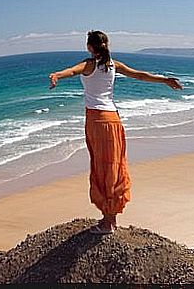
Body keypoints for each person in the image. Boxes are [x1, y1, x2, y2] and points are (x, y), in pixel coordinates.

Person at [48, 30, 183, 234]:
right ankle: (110, 217)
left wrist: (57, 75)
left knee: (102, 167)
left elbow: (72, 71)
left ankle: (108, 221)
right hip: (114, 120)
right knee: (115, 165)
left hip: (97, 121)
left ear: (90, 47)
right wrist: (164, 80)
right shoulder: (113, 65)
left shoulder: (89, 64)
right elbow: (139, 75)